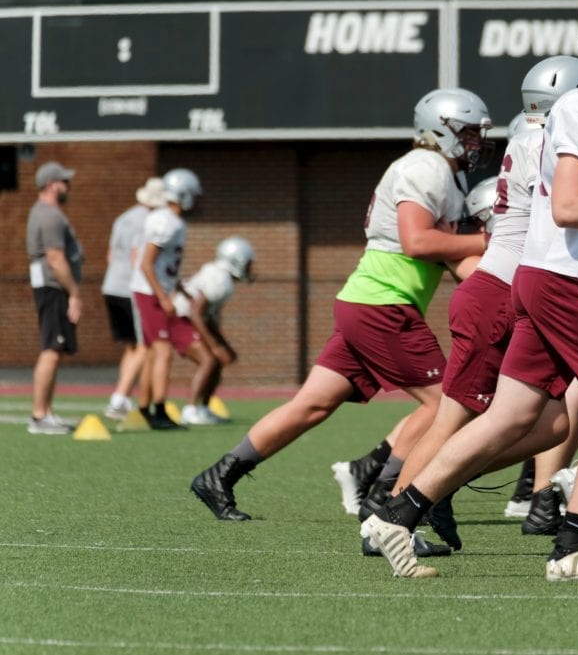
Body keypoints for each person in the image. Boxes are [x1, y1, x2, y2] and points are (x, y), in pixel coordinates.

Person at [361, 0, 578, 581]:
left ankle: (397, 513)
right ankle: (572, 545)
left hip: (544, 275)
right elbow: (568, 206)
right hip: (565, 276)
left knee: (521, 419)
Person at [190, 87, 491, 522]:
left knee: (312, 404)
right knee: (446, 402)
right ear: (439, 130)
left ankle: (220, 475)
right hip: (383, 305)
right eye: (466, 134)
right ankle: (385, 497)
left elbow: (449, 255)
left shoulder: (438, 170)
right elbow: (418, 240)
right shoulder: (425, 166)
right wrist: (488, 240)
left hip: (367, 301)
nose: (474, 143)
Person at [131, 168, 204, 431]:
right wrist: (163, 297)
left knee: (154, 352)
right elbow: (146, 264)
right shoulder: (166, 221)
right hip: (150, 292)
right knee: (162, 352)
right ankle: (159, 409)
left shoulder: (171, 220)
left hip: (155, 290)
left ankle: (145, 408)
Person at [173, 236, 255, 425]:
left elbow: (207, 317)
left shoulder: (221, 277)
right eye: (248, 264)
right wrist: (215, 345)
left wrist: (222, 344)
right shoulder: (220, 279)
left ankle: (203, 408)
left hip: (189, 318)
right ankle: (190, 409)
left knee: (216, 361)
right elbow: (196, 312)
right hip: (180, 318)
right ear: (237, 261)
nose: (250, 268)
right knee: (208, 360)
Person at [102, 177, 165, 420]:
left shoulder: (124, 217)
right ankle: (119, 399)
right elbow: (137, 256)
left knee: (131, 346)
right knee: (143, 346)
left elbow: (110, 254)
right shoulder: (150, 222)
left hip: (111, 285)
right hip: (130, 288)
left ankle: (121, 396)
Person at [25, 161, 82, 435]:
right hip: (53, 287)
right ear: (51, 184)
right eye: (64, 182)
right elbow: (56, 258)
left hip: (49, 286)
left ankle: (45, 412)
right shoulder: (50, 215)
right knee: (51, 348)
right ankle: (39, 415)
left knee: (55, 350)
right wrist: (74, 293)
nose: (67, 186)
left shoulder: (46, 213)